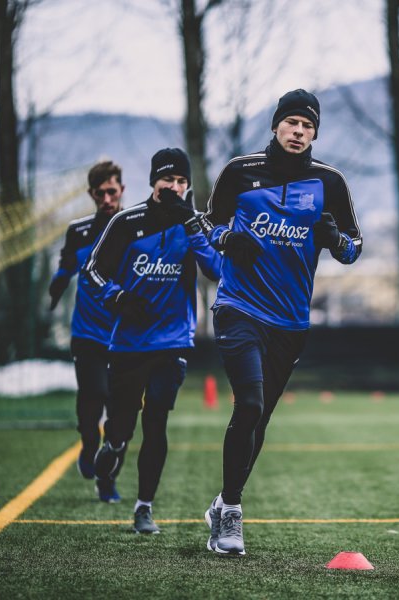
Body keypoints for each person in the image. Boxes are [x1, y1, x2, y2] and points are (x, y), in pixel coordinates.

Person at [201, 89, 362, 555]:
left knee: (261, 417)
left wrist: (335, 240)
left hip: (290, 322)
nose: (298, 131)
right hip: (238, 307)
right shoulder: (240, 171)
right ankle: (230, 515)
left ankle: (222, 503)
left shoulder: (329, 182)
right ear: (276, 126)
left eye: (307, 126)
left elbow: (354, 246)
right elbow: (207, 225)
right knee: (248, 403)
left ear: (314, 134)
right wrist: (229, 238)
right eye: (291, 122)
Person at [82, 148, 221, 534]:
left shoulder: (193, 223)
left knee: (156, 420)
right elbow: (93, 270)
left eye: (182, 182)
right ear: (153, 182)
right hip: (128, 344)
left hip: (173, 341)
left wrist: (192, 225)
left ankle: (144, 507)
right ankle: (112, 447)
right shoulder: (128, 222)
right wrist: (119, 297)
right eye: (168, 180)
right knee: (122, 427)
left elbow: (216, 270)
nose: (175, 187)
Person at [48, 160, 125, 480]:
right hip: (87, 333)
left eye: (112, 192)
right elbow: (66, 268)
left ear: (122, 190)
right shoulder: (78, 232)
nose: (106, 199)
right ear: (91, 195)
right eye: (100, 194)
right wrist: (56, 287)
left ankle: (107, 480)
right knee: (93, 400)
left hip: (124, 334)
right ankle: (89, 443)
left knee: (118, 407)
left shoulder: (133, 227)